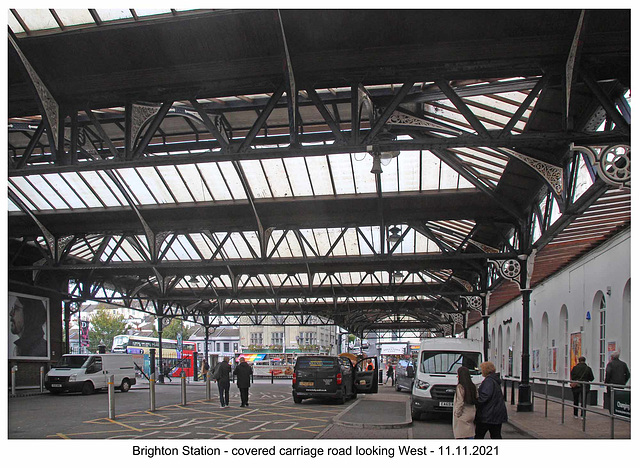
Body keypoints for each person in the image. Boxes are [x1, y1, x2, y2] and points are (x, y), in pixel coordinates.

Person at [474, 361, 508, 439]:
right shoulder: (495, 380)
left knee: (479, 435)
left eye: (482, 369)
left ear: (485, 370)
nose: (481, 371)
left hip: (487, 415)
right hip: (497, 414)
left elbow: (485, 396)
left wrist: (476, 402)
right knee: (496, 435)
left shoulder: (488, 381)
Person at [453, 366, 477, 439]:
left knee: (461, 435)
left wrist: (457, 413)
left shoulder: (460, 387)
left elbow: (460, 401)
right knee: (469, 434)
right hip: (471, 413)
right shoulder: (473, 386)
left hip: (463, 414)